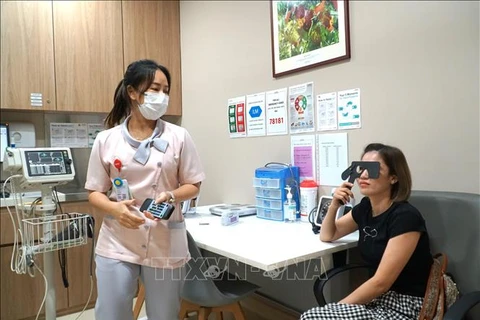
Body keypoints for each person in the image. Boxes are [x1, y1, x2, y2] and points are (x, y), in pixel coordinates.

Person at [85, 59, 205, 320]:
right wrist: (115, 209)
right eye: (154, 89)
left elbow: (193, 185)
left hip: (164, 238)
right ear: (132, 92)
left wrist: (171, 195)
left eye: (166, 90)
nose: (162, 96)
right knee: (112, 314)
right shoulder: (106, 140)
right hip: (118, 239)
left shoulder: (179, 136)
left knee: (164, 315)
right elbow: (94, 192)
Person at [301, 143, 433, 320]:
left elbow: (381, 283)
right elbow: (328, 235)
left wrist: (335, 310)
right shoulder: (365, 207)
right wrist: (334, 205)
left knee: (313, 317)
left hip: (408, 304)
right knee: (312, 316)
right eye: (360, 168)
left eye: (372, 169)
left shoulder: (405, 217)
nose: (362, 175)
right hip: (378, 299)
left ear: (393, 178)